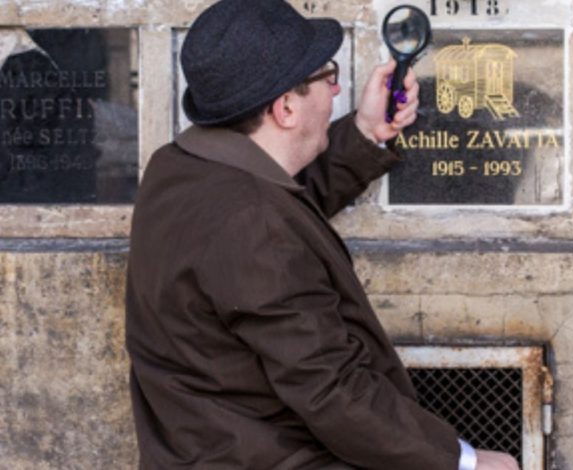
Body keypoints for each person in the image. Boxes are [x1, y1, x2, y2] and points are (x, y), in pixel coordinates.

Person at [125, 1, 520, 469]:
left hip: (206, 446)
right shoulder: (254, 226)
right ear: (286, 107)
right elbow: (332, 392)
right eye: (326, 75)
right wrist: (464, 462)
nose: (336, 89)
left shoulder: (180, 169)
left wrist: (367, 131)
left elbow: (278, 203)